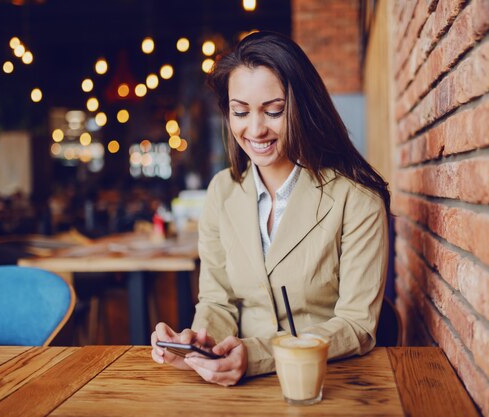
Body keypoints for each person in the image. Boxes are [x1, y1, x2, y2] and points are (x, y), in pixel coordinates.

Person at [151, 31, 390, 386]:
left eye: (274, 111)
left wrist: (257, 355)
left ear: (303, 107)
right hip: (234, 387)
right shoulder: (221, 191)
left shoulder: (356, 200)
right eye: (240, 112)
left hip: (325, 382)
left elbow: (357, 325)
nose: (255, 129)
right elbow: (218, 301)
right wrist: (199, 342)